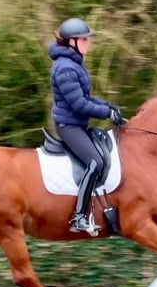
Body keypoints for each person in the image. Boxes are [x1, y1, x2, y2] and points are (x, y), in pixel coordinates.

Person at [48, 17, 127, 233]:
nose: (87, 43)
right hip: (68, 126)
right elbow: (80, 104)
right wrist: (106, 112)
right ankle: (79, 217)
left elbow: (88, 98)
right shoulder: (65, 68)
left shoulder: (74, 64)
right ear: (71, 42)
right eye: (84, 39)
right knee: (95, 161)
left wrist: (110, 107)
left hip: (77, 124)